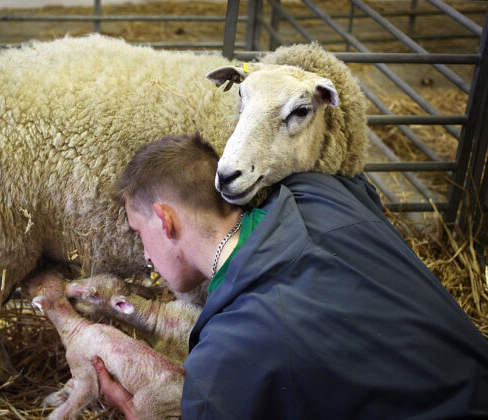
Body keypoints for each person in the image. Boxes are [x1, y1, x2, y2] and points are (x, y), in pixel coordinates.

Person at [91, 132, 488, 419]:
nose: (143, 252)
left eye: (138, 231)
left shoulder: (224, 361)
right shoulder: (324, 192)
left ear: (165, 219)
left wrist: (133, 409)